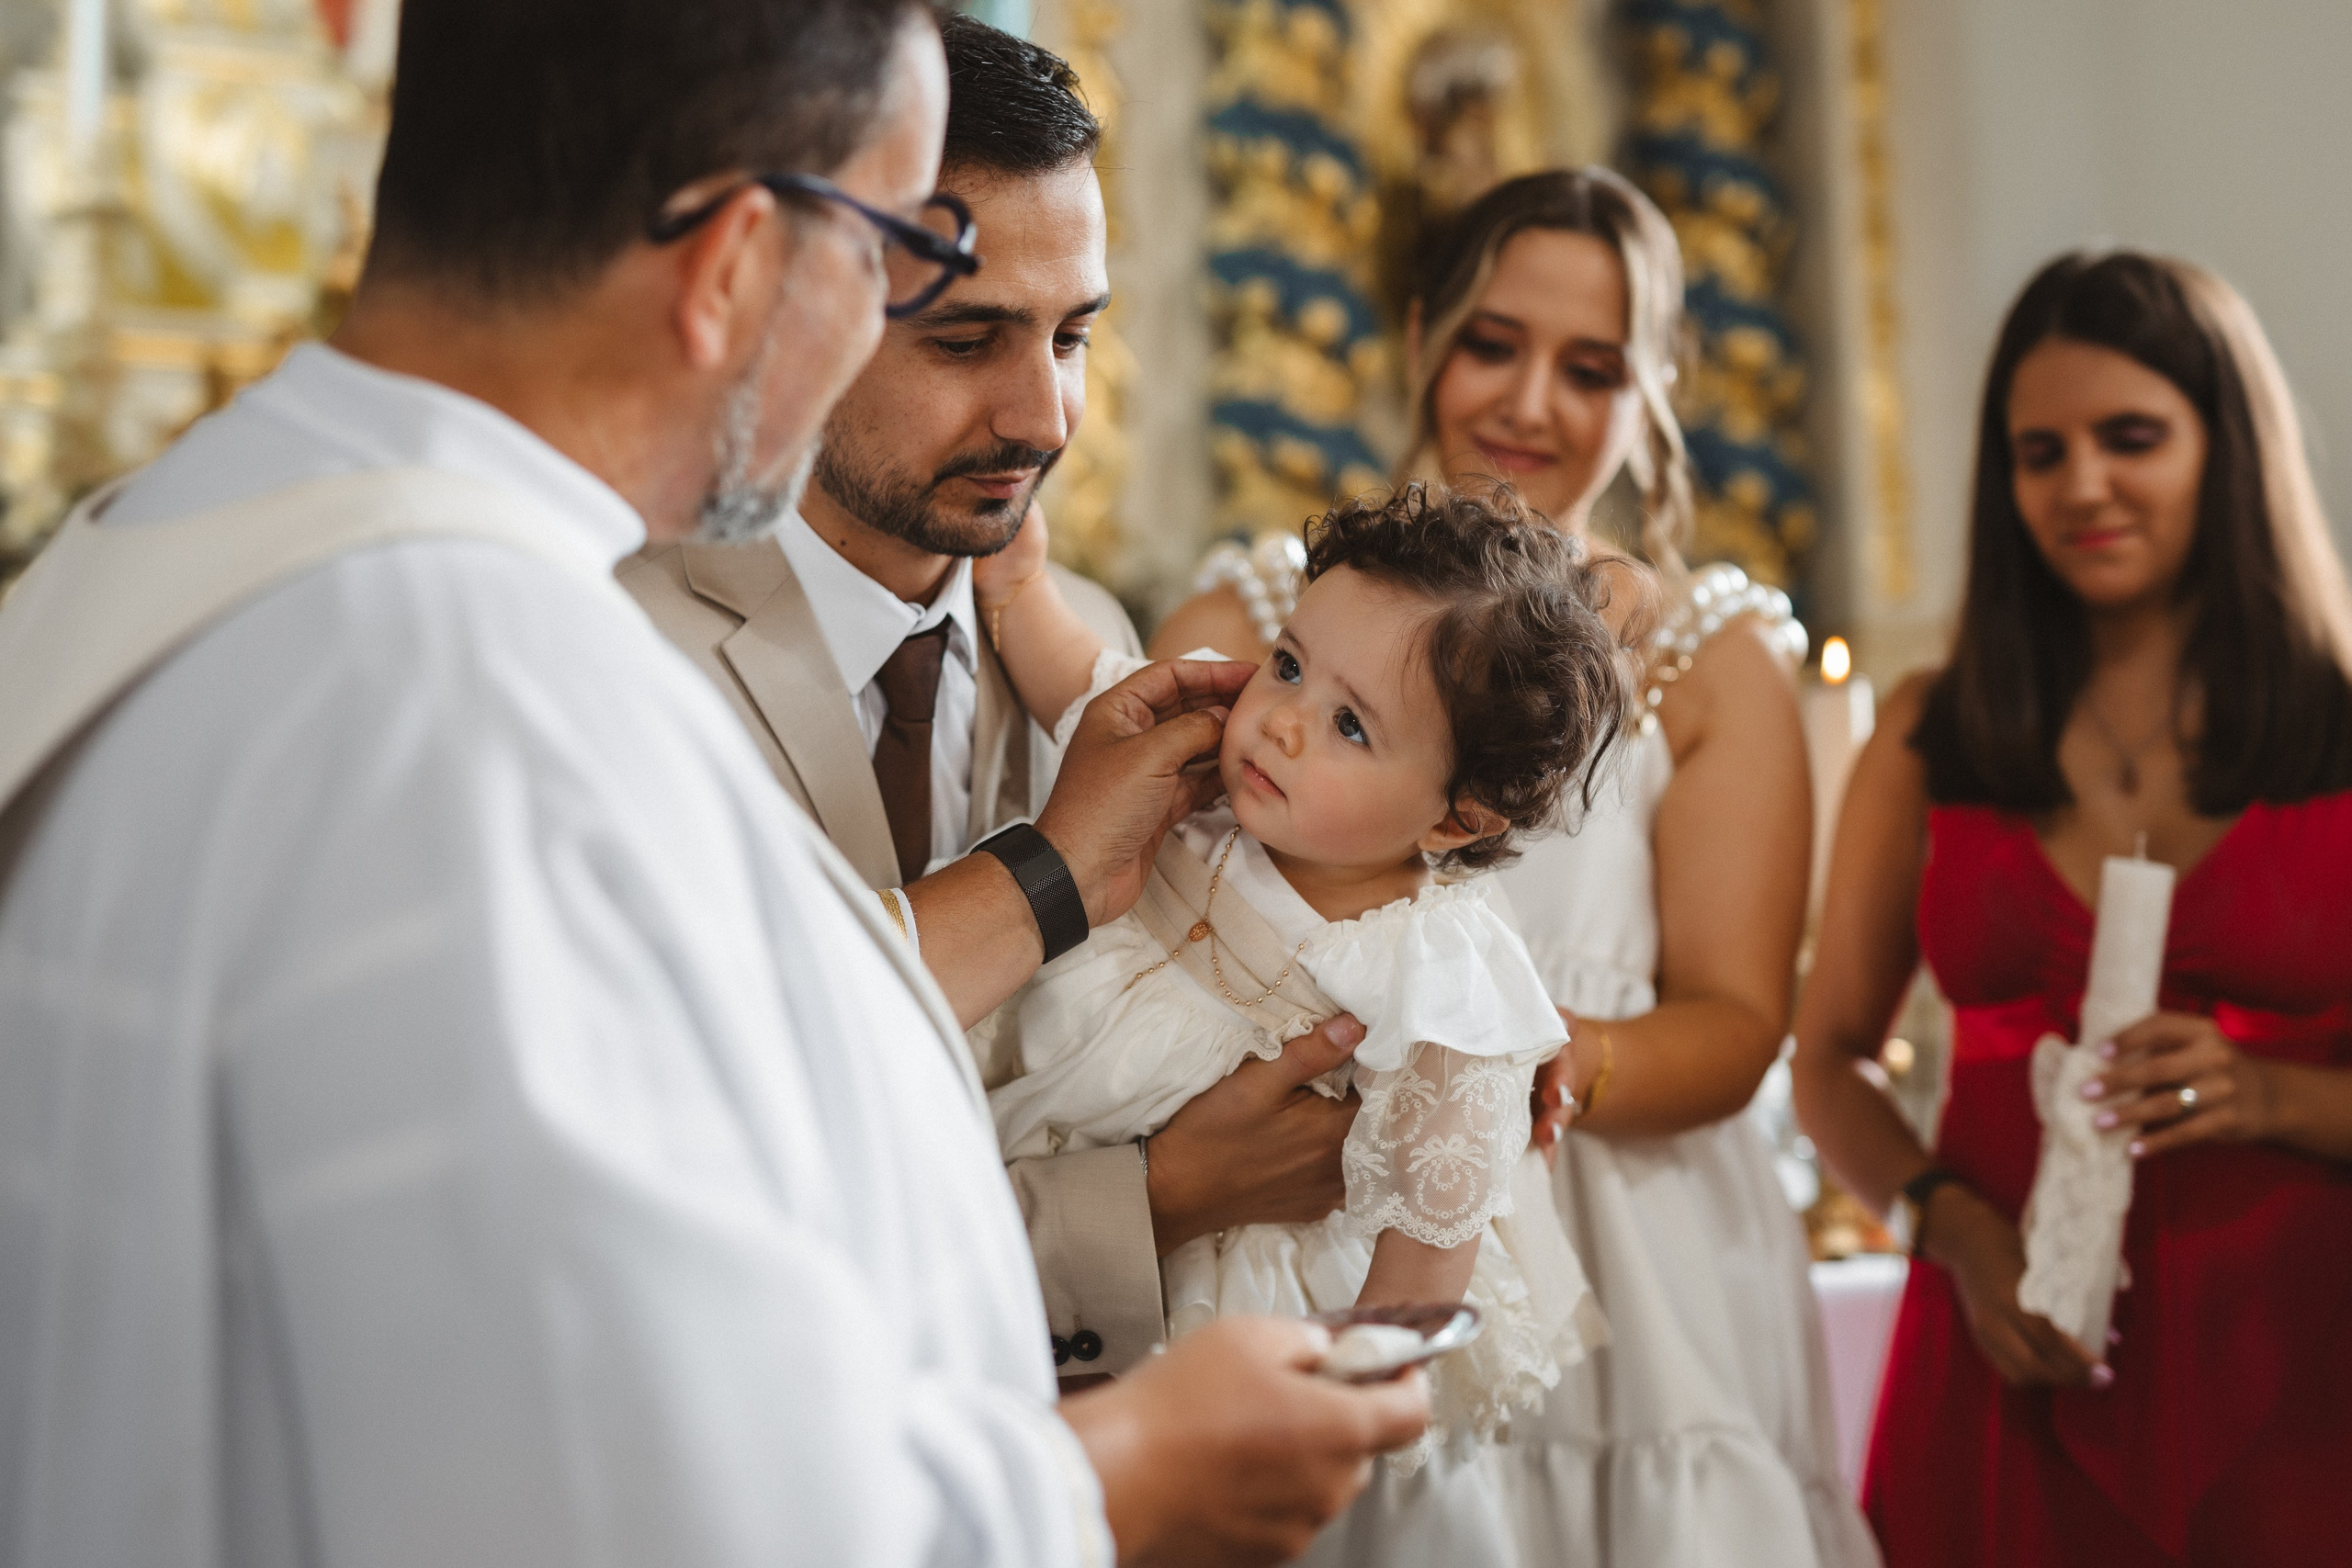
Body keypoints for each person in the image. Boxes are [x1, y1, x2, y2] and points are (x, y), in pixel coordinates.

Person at [0, 3, 1428, 1565]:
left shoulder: (172, 546)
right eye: (904, 274)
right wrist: (1119, 1478)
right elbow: (633, 1498)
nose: (1044, 417)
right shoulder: (482, 704)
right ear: (740, 263)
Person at [622, 14, 1366, 1384]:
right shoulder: (628, 659)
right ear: (788, 304)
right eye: (969, 338)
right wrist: (1149, 1202)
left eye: (1072, 334)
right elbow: (699, 1213)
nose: (1046, 417)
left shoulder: (1094, 651)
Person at [1160, 166, 1877, 1566]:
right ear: (1424, 331)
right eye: (1493, 341)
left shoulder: (1710, 658)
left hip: (1630, 1249)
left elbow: (1738, 1024)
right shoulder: (1262, 609)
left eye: (1592, 365)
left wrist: (1511, 1063)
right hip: (1320, 1204)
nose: (1530, 400)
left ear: (1654, 384)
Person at [1792, 251, 2352, 1568]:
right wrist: (1951, 1225)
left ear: (2229, 447)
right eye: (2040, 452)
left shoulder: (2339, 729)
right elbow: (1826, 1061)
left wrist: (2272, 1094)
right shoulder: (1933, 731)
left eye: (2132, 437)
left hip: (2295, 1351)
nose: (2082, 484)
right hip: (2008, 1347)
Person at [978, 481, 1622, 1563]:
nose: (1279, 721)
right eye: (1287, 663)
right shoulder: (1201, 781)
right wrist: (1019, 583)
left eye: (1350, 724)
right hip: (1052, 1217)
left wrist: (1353, 1385)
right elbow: (1080, 683)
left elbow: (1437, 1220)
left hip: (1239, 1311)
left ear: (1456, 817)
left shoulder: (1435, 970)